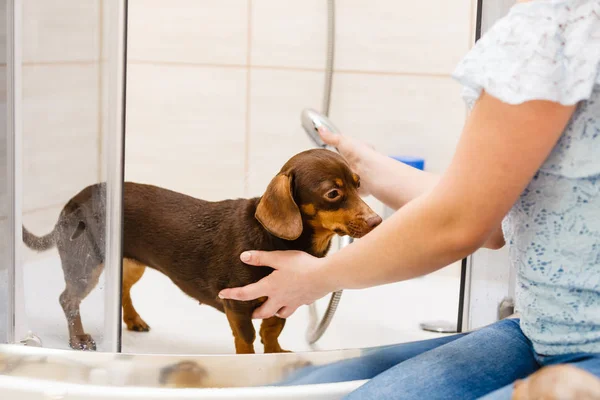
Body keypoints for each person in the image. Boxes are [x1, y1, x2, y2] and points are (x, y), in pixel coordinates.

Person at [219, 0, 600, 398]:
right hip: (540, 329)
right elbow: (489, 219)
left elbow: (460, 224)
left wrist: (315, 277)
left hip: (587, 351)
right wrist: (365, 163)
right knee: (307, 384)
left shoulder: (560, 21)